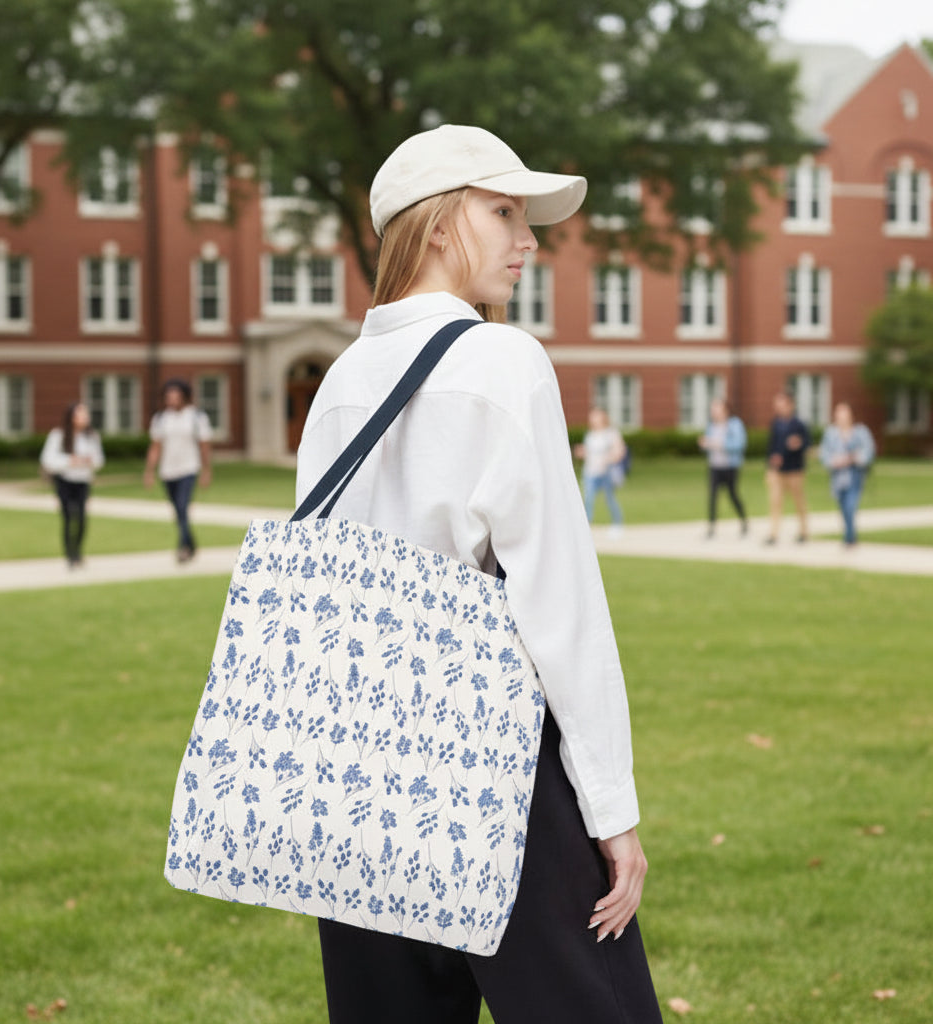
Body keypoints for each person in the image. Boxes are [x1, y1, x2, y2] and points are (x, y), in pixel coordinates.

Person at [295, 124, 661, 1024]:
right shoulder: (503, 359)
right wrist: (610, 808)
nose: (529, 239)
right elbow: (559, 604)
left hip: (357, 765)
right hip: (495, 756)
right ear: (437, 224)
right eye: (504, 212)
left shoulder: (340, 381)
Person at [143, 378, 213, 562]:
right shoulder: (160, 419)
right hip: (168, 471)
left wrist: (206, 471)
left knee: (182, 506)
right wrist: (149, 471)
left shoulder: (197, 417)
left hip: (189, 468)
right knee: (178, 511)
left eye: (175, 396)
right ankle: (191, 543)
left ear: (184, 397)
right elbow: (155, 447)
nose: (171, 400)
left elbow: (204, 446)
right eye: (168, 397)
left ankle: (183, 548)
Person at [39, 402, 104, 567]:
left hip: (82, 482)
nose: (85, 417)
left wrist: (88, 461)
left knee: (82, 519)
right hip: (65, 482)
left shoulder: (92, 436)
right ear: (72, 417)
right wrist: (69, 461)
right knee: (68, 518)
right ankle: (70, 554)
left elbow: (99, 460)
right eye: (81, 414)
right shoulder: (58, 435)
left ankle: (78, 551)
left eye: (85, 414)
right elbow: (47, 460)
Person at [819, 402, 875, 546]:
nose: (841, 418)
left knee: (851, 505)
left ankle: (849, 537)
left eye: (844, 415)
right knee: (843, 506)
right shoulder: (831, 434)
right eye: (839, 415)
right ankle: (850, 533)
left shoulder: (860, 432)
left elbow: (868, 452)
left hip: (854, 475)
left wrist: (853, 458)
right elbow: (824, 454)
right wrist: (835, 461)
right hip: (838, 476)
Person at [764, 391, 811, 545]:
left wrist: (799, 444)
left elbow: (807, 444)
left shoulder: (799, 424)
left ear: (791, 405)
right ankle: (773, 533)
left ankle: (803, 531)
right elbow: (771, 445)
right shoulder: (776, 423)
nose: (779, 408)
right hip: (777, 470)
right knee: (775, 501)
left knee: (799, 502)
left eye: (782, 404)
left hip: (794, 470)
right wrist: (771, 461)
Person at [698, 397, 748, 538]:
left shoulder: (735, 424)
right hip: (715, 466)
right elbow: (708, 444)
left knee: (732, 494)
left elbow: (739, 444)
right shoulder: (712, 426)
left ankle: (743, 521)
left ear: (725, 410)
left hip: (730, 466)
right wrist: (704, 444)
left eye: (717, 409)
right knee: (713, 496)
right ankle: (711, 527)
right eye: (713, 409)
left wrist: (719, 444)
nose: (714, 412)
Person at [574, 407, 627, 537]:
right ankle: (587, 526)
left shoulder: (611, 433)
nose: (593, 419)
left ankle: (617, 524)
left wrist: (610, 458)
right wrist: (581, 452)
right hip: (590, 471)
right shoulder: (590, 434)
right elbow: (588, 452)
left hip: (606, 472)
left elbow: (619, 450)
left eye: (595, 416)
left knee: (609, 498)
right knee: (588, 498)